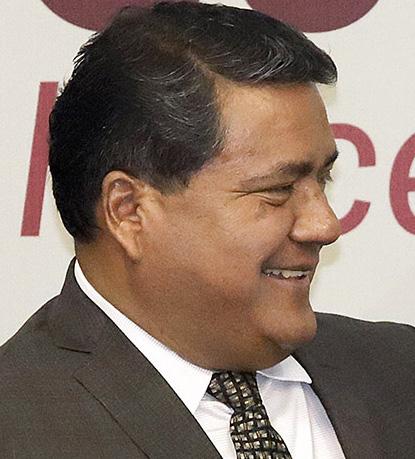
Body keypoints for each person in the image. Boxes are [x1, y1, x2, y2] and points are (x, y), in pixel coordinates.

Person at [1, 2, 414, 458]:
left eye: (323, 179)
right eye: (277, 190)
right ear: (129, 211)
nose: (326, 224)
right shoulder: (17, 424)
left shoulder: (399, 372)